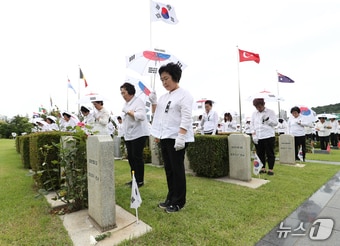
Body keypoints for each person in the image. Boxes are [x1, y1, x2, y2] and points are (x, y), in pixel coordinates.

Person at [150, 62, 194, 213]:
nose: (164, 82)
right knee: (169, 169)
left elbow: (186, 117)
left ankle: (179, 201)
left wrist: (181, 136)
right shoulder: (163, 97)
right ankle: (170, 197)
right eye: (162, 79)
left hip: (177, 137)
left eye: (166, 78)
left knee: (177, 170)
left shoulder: (184, 94)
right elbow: (158, 115)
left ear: (175, 77)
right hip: (165, 136)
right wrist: (153, 102)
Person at [120, 82, 150, 188]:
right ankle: (133, 179)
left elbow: (141, 116)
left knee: (137, 157)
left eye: (124, 93)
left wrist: (128, 111)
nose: (122, 95)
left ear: (130, 92)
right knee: (131, 158)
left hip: (139, 134)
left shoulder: (138, 101)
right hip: (129, 135)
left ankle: (140, 180)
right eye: (121, 93)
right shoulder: (126, 104)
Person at [250, 98, 278, 175]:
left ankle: (271, 169)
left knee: (270, 153)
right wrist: (254, 135)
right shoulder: (254, 114)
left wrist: (267, 119)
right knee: (260, 153)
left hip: (268, 135)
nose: (258, 108)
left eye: (259, 106)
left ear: (263, 105)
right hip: (258, 136)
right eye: (256, 107)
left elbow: (275, 123)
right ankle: (263, 168)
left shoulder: (270, 112)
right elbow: (252, 125)